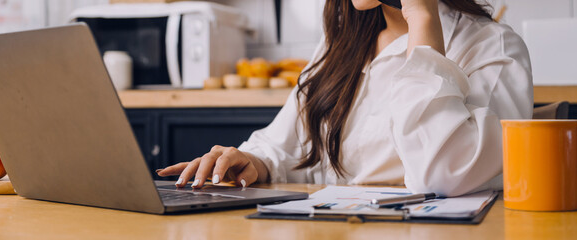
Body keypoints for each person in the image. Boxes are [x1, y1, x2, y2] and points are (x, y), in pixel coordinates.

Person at [157, 0, 532, 197]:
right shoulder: (343, 44)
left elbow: (445, 174)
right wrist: (254, 161)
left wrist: (420, 14)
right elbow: (283, 144)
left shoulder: (491, 46)